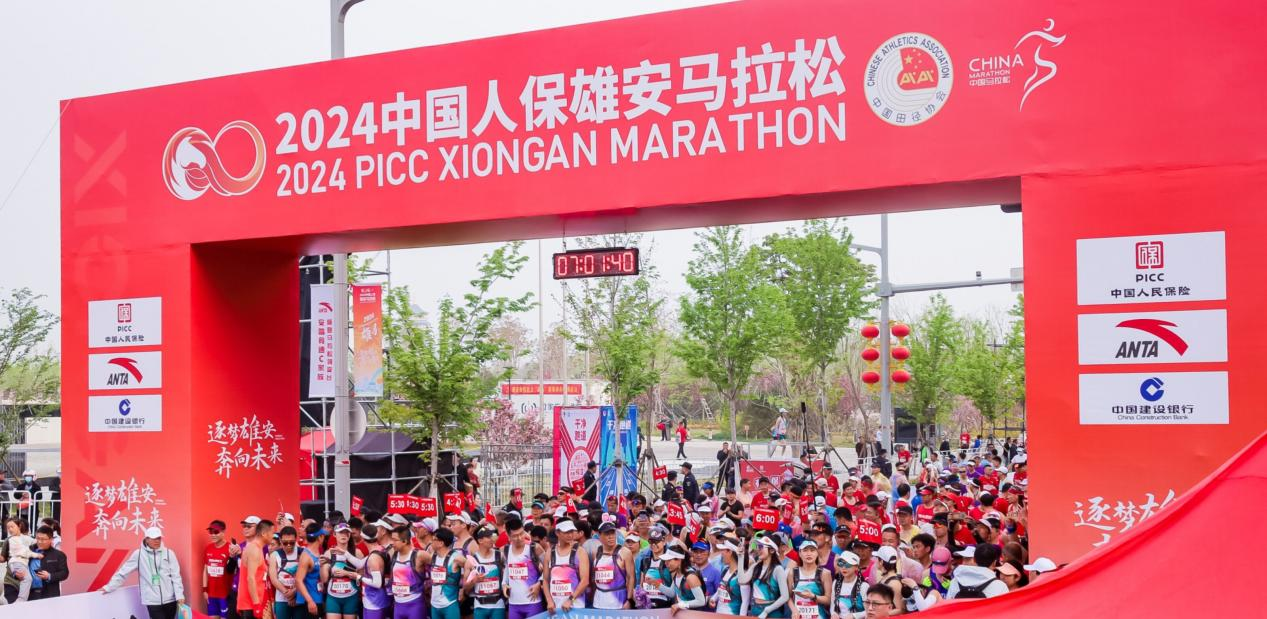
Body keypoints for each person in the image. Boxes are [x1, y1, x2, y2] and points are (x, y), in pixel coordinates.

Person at [101, 527, 186, 619]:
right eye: (154, 538)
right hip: (152, 601)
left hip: (170, 600)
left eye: (159, 538)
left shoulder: (169, 553)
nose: (157, 541)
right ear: (147, 539)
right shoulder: (138, 554)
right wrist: (109, 587)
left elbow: (176, 576)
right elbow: (123, 572)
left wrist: (179, 595)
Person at [502, 519, 546, 619]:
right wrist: (504, 584)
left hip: (533, 601)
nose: (519, 538)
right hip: (513, 603)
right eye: (515, 536)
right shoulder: (506, 550)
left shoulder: (534, 548)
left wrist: (539, 583)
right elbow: (507, 568)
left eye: (521, 533)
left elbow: (549, 567)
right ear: (508, 535)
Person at [546, 519, 590, 612]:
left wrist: (570, 599)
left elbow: (585, 581)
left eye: (571, 531)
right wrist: (549, 600)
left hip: (575, 606)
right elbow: (545, 580)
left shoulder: (580, 551)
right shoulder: (550, 552)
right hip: (555, 607)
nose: (570, 535)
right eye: (566, 532)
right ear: (557, 533)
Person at [463, 526, 504, 619]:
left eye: (492, 536)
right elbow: (465, 587)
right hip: (480, 605)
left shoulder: (500, 556)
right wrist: (474, 580)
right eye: (488, 537)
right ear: (480, 540)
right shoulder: (471, 560)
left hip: (498, 604)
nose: (492, 539)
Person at [591, 521, 634, 609]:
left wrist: (629, 600)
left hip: (618, 602)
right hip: (598, 602)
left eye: (613, 533)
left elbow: (631, 578)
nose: (611, 537)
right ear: (600, 535)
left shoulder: (625, 552)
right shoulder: (596, 552)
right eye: (607, 534)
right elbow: (594, 578)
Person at [323, 523, 363, 619]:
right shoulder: (329, 553)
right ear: (334, 534)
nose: (344, 535)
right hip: (333, 596)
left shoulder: (357, 552)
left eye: (347, 533)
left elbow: (362, 577)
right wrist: (322, 566)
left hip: (351, 595)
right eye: (341, 532)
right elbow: (324, 579)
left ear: (350, 535)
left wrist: (347, 574)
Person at [235, 518, 273, 619]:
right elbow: (250, 578)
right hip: (251, 605)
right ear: (264, 533)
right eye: (271, 533)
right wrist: (256, 605)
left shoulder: (256, 548)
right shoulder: (254, 549)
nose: (273, 536)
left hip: (254, 603)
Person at [389, 526, 428, 619]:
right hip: (398, 605)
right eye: (392, 539)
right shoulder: (393, 553)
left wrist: (428, 584)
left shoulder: (419, 555)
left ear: (405, 541)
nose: (392, 543)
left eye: (395, 540)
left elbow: (437, 565)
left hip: (415, 604)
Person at [789, 540, 832, 619]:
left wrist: (813, 596)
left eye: (812, 550)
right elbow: (788, 597)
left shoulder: (825, 573)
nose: (809, 554)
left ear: (817, 553)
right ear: (800, 553)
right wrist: (794, 610)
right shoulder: (793, 573)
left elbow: (829, 600)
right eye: (805, 550)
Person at [750, 536, 789, 618]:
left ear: (772, 550)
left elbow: (785, 597)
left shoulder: (778, 569)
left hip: (772, 611)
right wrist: (740, 556)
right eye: (758, 546)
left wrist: (767, 610)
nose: (758, 549)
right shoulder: (756, 566)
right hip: (755, 608)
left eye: (761, 546)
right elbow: (742, 581)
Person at [269, 526, 302, 619]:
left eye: (292, 543)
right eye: (285, 543)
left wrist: (294, 592)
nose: (288, 545)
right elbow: (273, 578)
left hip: (299, 597)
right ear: (280, 540)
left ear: (296, 539)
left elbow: (307, 576)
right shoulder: (275, 555)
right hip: (281, 598)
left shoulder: (302, 552)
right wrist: (287, 594)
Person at [28, 525, 68, 600]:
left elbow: (64, 573)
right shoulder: (28, 551)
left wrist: (49, 576)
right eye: (38, 538)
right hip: (29, 593)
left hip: (49, 593)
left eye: (43, 539)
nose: (39, 541)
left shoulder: (59, 555)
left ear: (51, 539)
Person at [203, 520, 233, 617]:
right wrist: (204, 590)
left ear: (223, 532)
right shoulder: (208, 548)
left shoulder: (231, 548)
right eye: (210, 532)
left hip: (226, 595)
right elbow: (205, 570)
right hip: (211, 595)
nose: (213, 535)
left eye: (216, 532)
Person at [6, 518, 36, 601]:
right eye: (8, 527)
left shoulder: (29, 540)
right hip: (12, 582)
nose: (10, 529)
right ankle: (21, 600)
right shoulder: (9, 540)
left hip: (22, 580)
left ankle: (20, 600)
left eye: (12, 527)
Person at [832, 551, 868, 619]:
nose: (844, 567)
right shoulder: (836, 583)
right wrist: (834, 614)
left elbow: (869, 611)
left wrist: (854, 616)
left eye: (848, 564)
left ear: (856, 567)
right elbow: (832, 605)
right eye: (841, 563)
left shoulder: (864, 586)